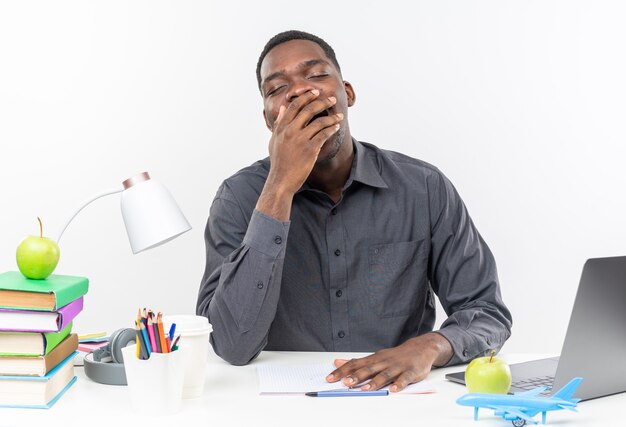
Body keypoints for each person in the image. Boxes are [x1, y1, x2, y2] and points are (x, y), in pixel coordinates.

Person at [197, 30, 512, 392]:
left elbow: (487, 312)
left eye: (316, 75)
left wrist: (428, 346)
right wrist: (280, 187)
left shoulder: (423, 187)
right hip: (286, 407)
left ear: (347, 93)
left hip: (402, 402)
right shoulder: (237, 198)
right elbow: (231, 344)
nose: (299, 91)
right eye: (276, 88)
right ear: (270, 120)